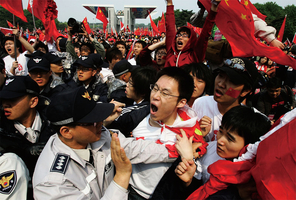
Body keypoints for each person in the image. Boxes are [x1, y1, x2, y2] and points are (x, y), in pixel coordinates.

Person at [33, 86, 177, 199]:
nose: (101, 123)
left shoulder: (98, 135)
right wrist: (121, 175)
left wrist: (176, 150)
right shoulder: (52, 184)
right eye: (92, 121)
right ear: (66, 132)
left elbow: (133, 148)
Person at [152, 106, 271, 200]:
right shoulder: (206, 149)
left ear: (249, 146)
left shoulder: (251, 177)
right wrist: (188, 182)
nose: (220, 140)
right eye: (220, 131)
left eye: (230, 139)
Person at [128, 67, 208, 199]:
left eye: (165, 93)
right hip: (131, 191)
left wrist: (187, 181)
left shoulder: (189, 135)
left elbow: (193, 183)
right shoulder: (136, 117)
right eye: (155, 88)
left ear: (181, 102)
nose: (155, 96)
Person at [192, 57, 260, 142]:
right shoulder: (201, 103)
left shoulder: (253, 121)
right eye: (220, 76)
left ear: (245, 91)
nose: (221, 84)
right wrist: (199, 136)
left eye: (232, 81)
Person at [164, 0, 220, 67]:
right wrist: (169, 3)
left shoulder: (194, 56)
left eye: (184, 35)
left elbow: (205, 34)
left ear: (191, 40)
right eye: (178, 35)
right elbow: (170, 27)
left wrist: (214, 6)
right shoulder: (171, 53)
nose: (180, 37)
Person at [107, 66, 157, 137]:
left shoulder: (134, 115)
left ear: (142, 91)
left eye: (130, 83)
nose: (126, 85)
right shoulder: (125, 99)